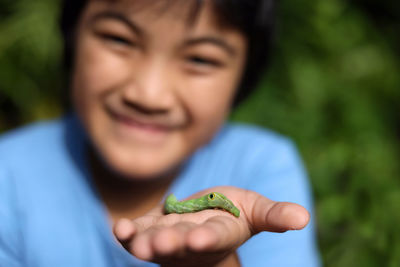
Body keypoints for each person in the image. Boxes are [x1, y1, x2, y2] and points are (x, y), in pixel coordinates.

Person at [0, 0, 321, 266]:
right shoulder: (8, 175)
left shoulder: (264, 167)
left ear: (244, 77)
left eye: (200, 59)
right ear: (72, 37)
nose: (149, 95)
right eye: (119, 39)